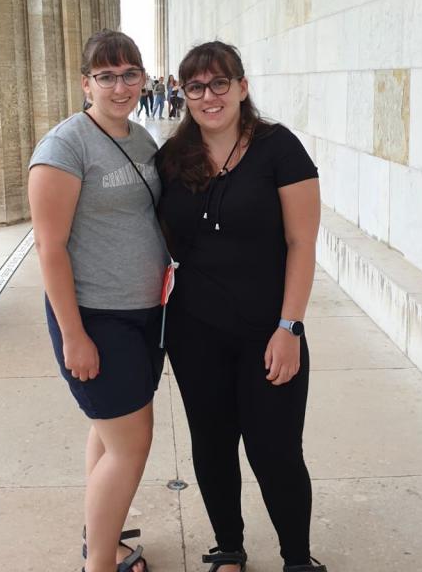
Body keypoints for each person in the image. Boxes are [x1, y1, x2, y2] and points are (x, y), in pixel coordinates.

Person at [157, 41, 326, 572]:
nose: (209, 96)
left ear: (242, 87)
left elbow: (302, 243)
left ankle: (297, 558)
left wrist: (290, 326)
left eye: (219, 83)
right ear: (184, 94)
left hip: (267, 331)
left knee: (275, 450)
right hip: (194, 331)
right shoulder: (172, 157)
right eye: (196, 87)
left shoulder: (280, 149)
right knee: (211, 445)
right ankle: (229, 547)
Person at [29, 30, 169, 572]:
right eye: (106, 76)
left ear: (143, 79)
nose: (119, 86)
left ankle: (101, 541)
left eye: (129, 74)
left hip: (145, 313)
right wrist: (73, 335)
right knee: (132, 445)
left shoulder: (141, 140)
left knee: (110, 434)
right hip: (95, 317)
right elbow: (50, 248)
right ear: (86, 83)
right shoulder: (64, 148)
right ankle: (101, 566)